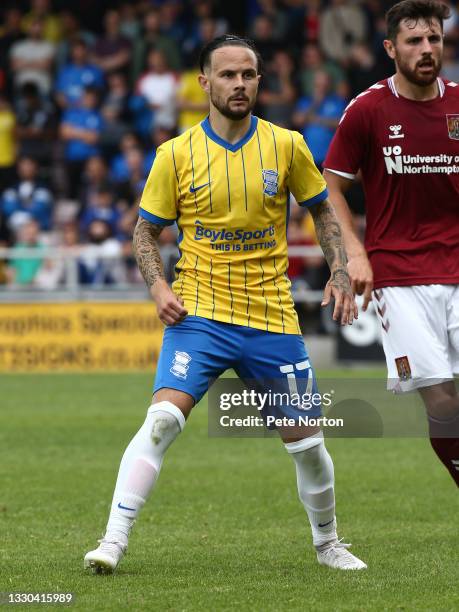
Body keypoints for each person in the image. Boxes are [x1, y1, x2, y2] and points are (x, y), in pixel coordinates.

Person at [84, 34, 366, 574]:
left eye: (249, 75)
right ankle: (112, 540)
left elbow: (323, 212)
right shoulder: (175, 154)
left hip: (271, 317)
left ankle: (328, 544)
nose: (240, 84)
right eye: (229, 75)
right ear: (204, 83)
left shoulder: (287, 145)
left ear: (260, 80)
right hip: (201, 315)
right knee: (163, 419)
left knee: (307, 444)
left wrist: (339, 269)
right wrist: (159, 287)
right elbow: (145, 233)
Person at [323, 0, 459, 487]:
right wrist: (354, 252)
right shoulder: (368, 110)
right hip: (398, 277)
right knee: (442, 400)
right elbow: (331, 185)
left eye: (434, 39)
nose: (427, 50)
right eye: (414, 41)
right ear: (390, 47)